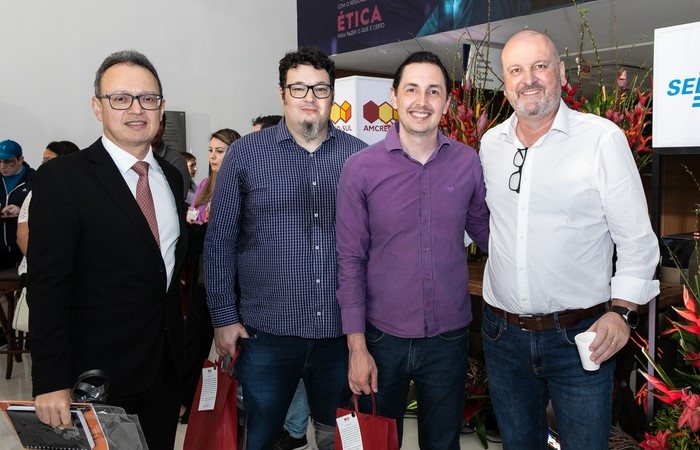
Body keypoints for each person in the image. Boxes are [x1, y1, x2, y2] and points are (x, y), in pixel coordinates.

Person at [478, 30, 660, 450]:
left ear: (561, 73)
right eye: (516, 70)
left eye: (539, 66)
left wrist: (622, 313)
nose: (528, 79)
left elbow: (637, 240)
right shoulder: (490, 144)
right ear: (505, 85)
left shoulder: (601, 140)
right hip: (502, 337)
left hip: (579, 338)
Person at [204, 46, 367, 450]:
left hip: (339, 335)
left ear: (331, 95)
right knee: (257, 437)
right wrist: (223, 318)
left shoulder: (359, 156)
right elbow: (219, 241)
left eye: (320, 89)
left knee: (339, 438)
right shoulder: (245, 154)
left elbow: (374, 244)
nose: (310, 97)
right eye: (298, 88)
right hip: (265, 334)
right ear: (282, 95)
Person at [27, 50, 187, 450]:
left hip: (163, 373)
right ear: (97, 107)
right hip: (96, 379)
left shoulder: (170, 176)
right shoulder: (63, 178)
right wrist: (50, 381)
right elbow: (47, 287)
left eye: (147, 98)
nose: (136, 108)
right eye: (120, 98)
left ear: (161, 107)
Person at [335, 51, 490, 450]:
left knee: (443, 443)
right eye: (412, 89)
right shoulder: (360, 168)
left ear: (447, 102)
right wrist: (356, 347)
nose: (422, 101)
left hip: (449, 338)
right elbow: (349, 261)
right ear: (394, 96)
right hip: (381, 337)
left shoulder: (467, 163)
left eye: (433, 91)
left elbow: (493, 236)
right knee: (376, 443)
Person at [251, 112, 310, 450]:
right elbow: (224, 240)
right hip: (266, 316)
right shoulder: (248, 166)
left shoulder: (349, 156)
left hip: (321, 317)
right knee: (261, 418)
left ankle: (295, 429)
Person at [180, 128, 240, 423]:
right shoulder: (205, 185)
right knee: (194, 341)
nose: (213, 157)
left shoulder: (239, 186)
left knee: (230, 347)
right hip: (200, 272)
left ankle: (230, 408)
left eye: (220, 151)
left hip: (229, 276)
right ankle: (188, 401)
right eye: (211, 150)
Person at [17, 141, 81, 287]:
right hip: (41, 271)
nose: (44, 166)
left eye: (49, 161)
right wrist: (44, 265)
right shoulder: (37, 192)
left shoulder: (85, 190)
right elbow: (23, 235)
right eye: (43, 161)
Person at [0, 139, 35, 270]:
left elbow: (44, 209)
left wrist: (22, 211)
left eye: (8, 162)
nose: (2, 167)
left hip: (24, 249)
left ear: (20, 160)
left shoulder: (34, 179)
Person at [152, 112, 191, 201]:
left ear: (164, 128)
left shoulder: (177, 161)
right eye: (149, 123)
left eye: (158, 124)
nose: (154, 128)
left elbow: (179, 199)